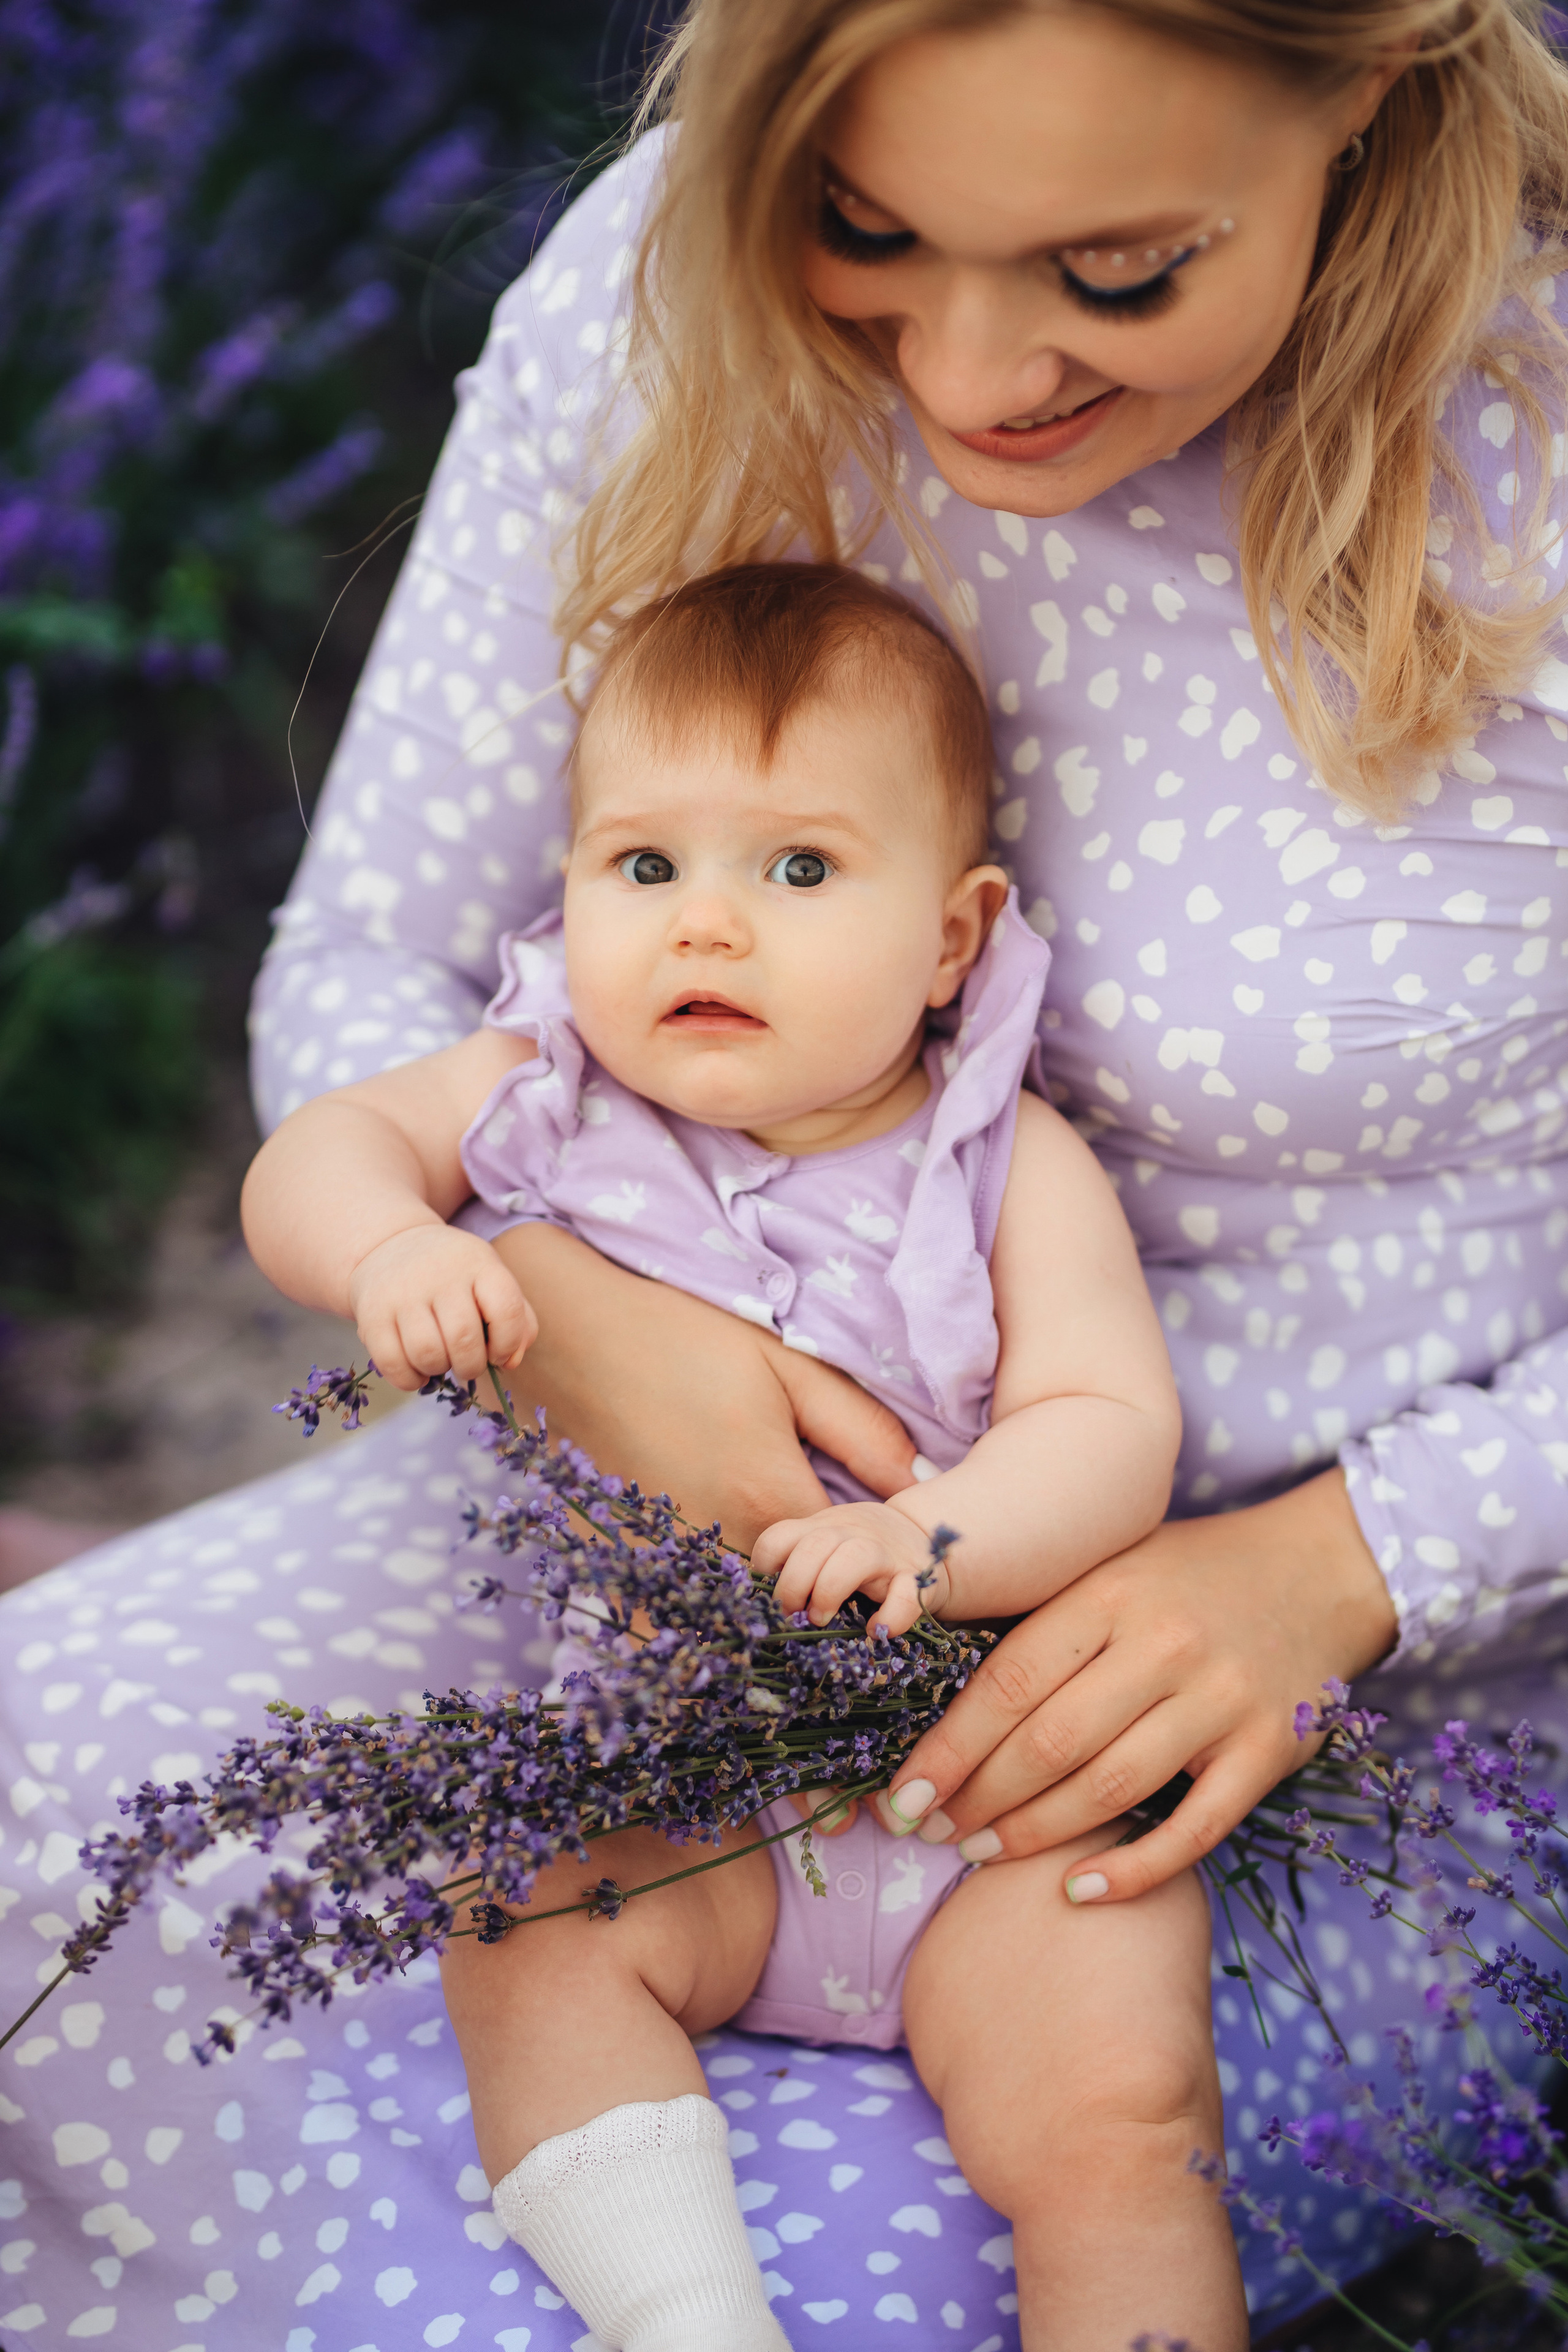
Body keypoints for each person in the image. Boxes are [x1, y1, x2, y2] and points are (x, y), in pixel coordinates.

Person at [4, 0, 1567, 2341]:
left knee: (511, 2287)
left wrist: (1344, 1564)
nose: (967, 366)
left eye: (1117, 268)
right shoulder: (663, 283)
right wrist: (550, 1302)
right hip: (605, 1577)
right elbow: (377, 972)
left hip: (1334, 1699)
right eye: (866, 228)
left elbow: (1111, 1438)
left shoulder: (1529, 440)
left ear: (1375, 73)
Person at [243, 558, 1229, 2351]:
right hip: (678, 1791)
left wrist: (935, 1536)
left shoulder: (1008, 1161)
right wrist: (391, 1246)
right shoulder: (538, 1089)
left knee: (1122, 2118)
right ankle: (689, 2321)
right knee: (524, 1921)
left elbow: (1109, 1426)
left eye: (795, 870)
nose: (705, 925)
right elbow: (315, 1154)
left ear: (950, 933)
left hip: (969, 1804)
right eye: (645, 866)